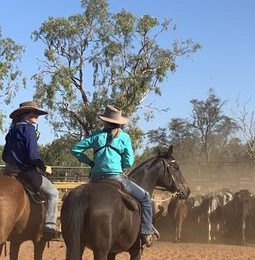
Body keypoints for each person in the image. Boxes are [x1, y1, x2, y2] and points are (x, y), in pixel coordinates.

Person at [70, 104, 154, 247]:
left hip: (95, 179)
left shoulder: (96, 135)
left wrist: (91, 163)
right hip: (116, 177)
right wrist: (120, 165)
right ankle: (146, 232)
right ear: (119, 123)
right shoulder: (124, 137)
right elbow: (129, 161)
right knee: (145, 197)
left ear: (104, 121)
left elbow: (75, 150)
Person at [2, 100, 60, 239]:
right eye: (34, 113)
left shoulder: (11, 131)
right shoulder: (29, 129)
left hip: (8, 170)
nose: (37, 115)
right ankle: (50, 227)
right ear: (25, 115)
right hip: (25, 171)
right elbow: (33, 155)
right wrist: (43, 166)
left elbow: (4, 155)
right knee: (53, 193)